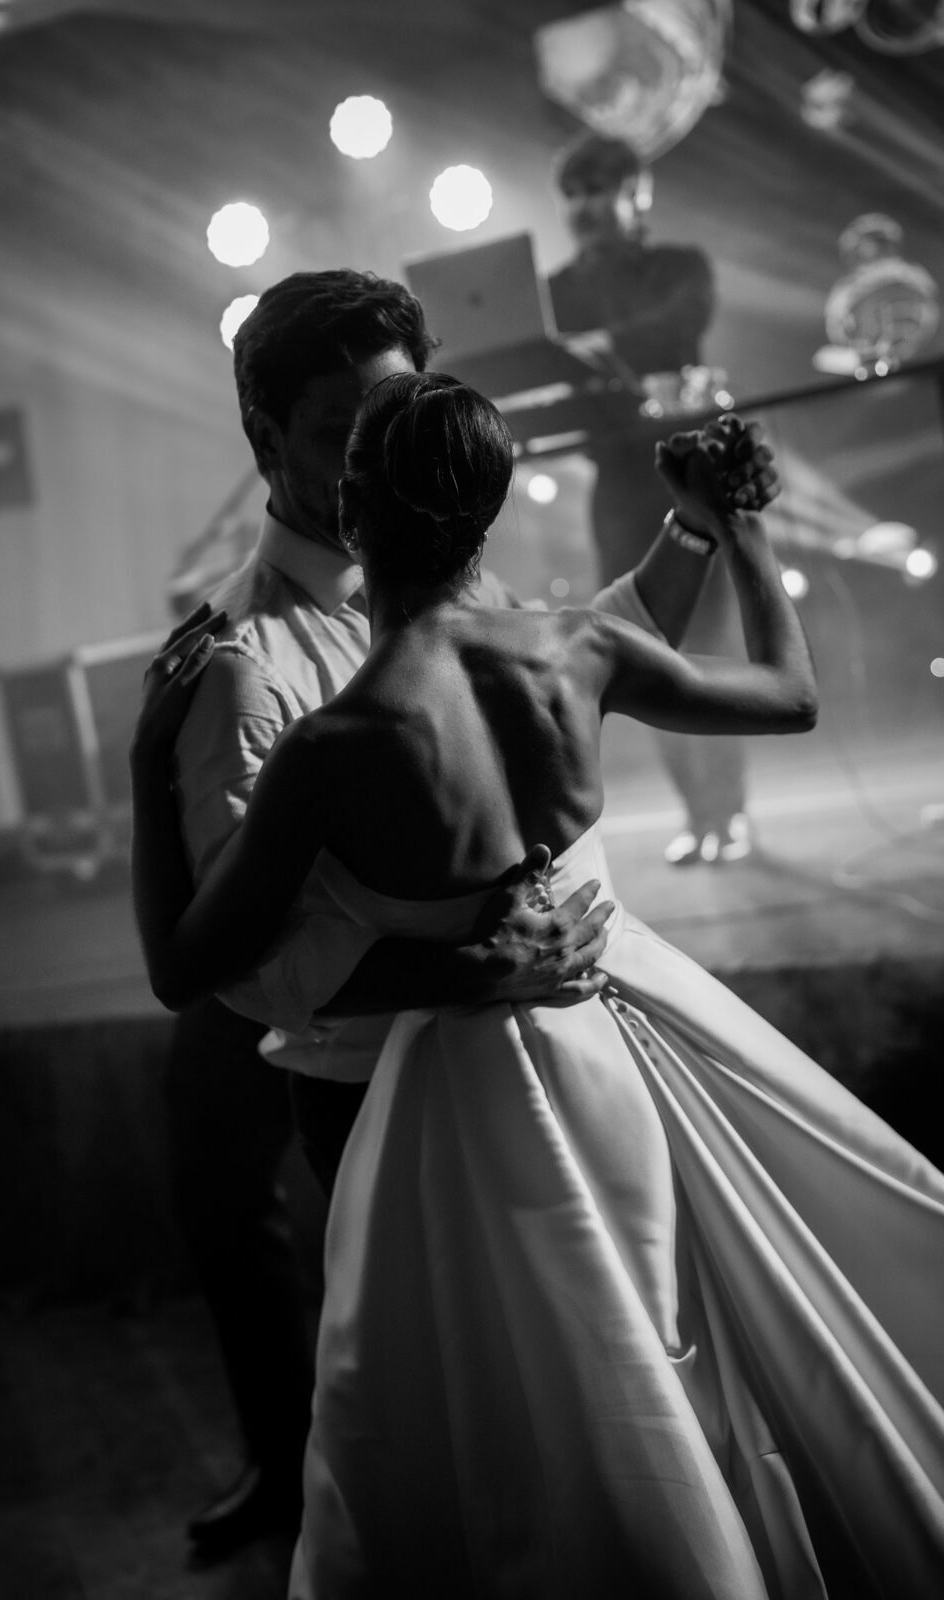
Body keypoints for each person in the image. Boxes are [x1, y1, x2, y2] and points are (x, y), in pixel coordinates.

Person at [131, 374, 944, 1598]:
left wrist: (150, 764)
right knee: (675, 1338)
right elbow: (791, 696)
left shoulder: (331, 750)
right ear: (487, 515)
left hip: (462, 1109)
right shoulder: (576, 648)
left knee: (507, 1414)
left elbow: (182, 966)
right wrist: (734, 525)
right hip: (617, 1049)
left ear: (352, 511)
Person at [165, 266, 776, 1555]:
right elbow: (244, 966)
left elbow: (583, 658)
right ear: (265, 438)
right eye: (345, 433)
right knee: (465, 1454)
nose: (383, 454)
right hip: (378, 1109)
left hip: (561, 1066)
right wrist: (469, 969)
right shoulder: (239, 664)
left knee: (617, 1403)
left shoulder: (439, 568)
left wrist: (692, 533)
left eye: (399, 414)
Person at [548, 129, 752, 867]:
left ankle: (729, 813)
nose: (583, 206)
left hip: (690, 479)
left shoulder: (680, 265)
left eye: (598, 189)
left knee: (712, 649)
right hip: (618, 488)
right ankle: (698, 814)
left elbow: (678, 325)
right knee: (646, 655)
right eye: (573, 194)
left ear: (636, 194)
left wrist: (596, 347)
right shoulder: (555, 290)